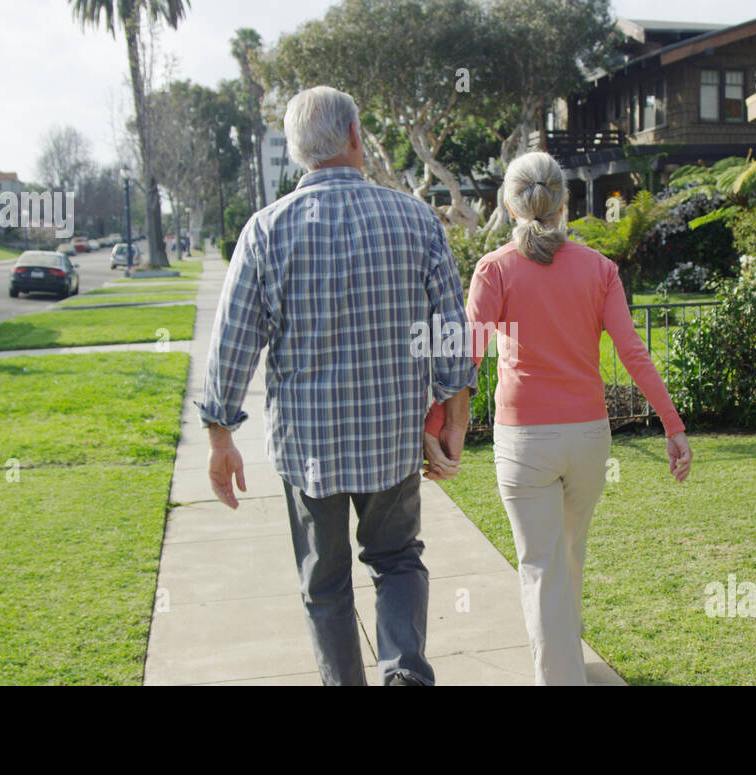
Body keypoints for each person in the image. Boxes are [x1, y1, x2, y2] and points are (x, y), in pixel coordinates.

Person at [199, 86, 476, 686]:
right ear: (354, 137)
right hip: (392, 441)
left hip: (309, 449)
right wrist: (455, 418)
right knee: (397, 560)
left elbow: (232, 343)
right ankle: (404, 673)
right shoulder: (416, 218)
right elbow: (451, 331)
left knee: (324, 584)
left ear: (301, 152)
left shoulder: (266, 231)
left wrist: (220, 434)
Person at [423, 151, 693, 685]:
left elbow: (466, 356)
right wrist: (673, 424)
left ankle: (561, 677)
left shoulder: (493, 268)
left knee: (541, 565)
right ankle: (567, 658)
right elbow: (634, 353)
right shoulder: (599, 269)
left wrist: (436, 427)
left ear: (508, 203)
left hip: (524, 441)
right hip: (589, 440)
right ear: (564, 203)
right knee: (568, 555)